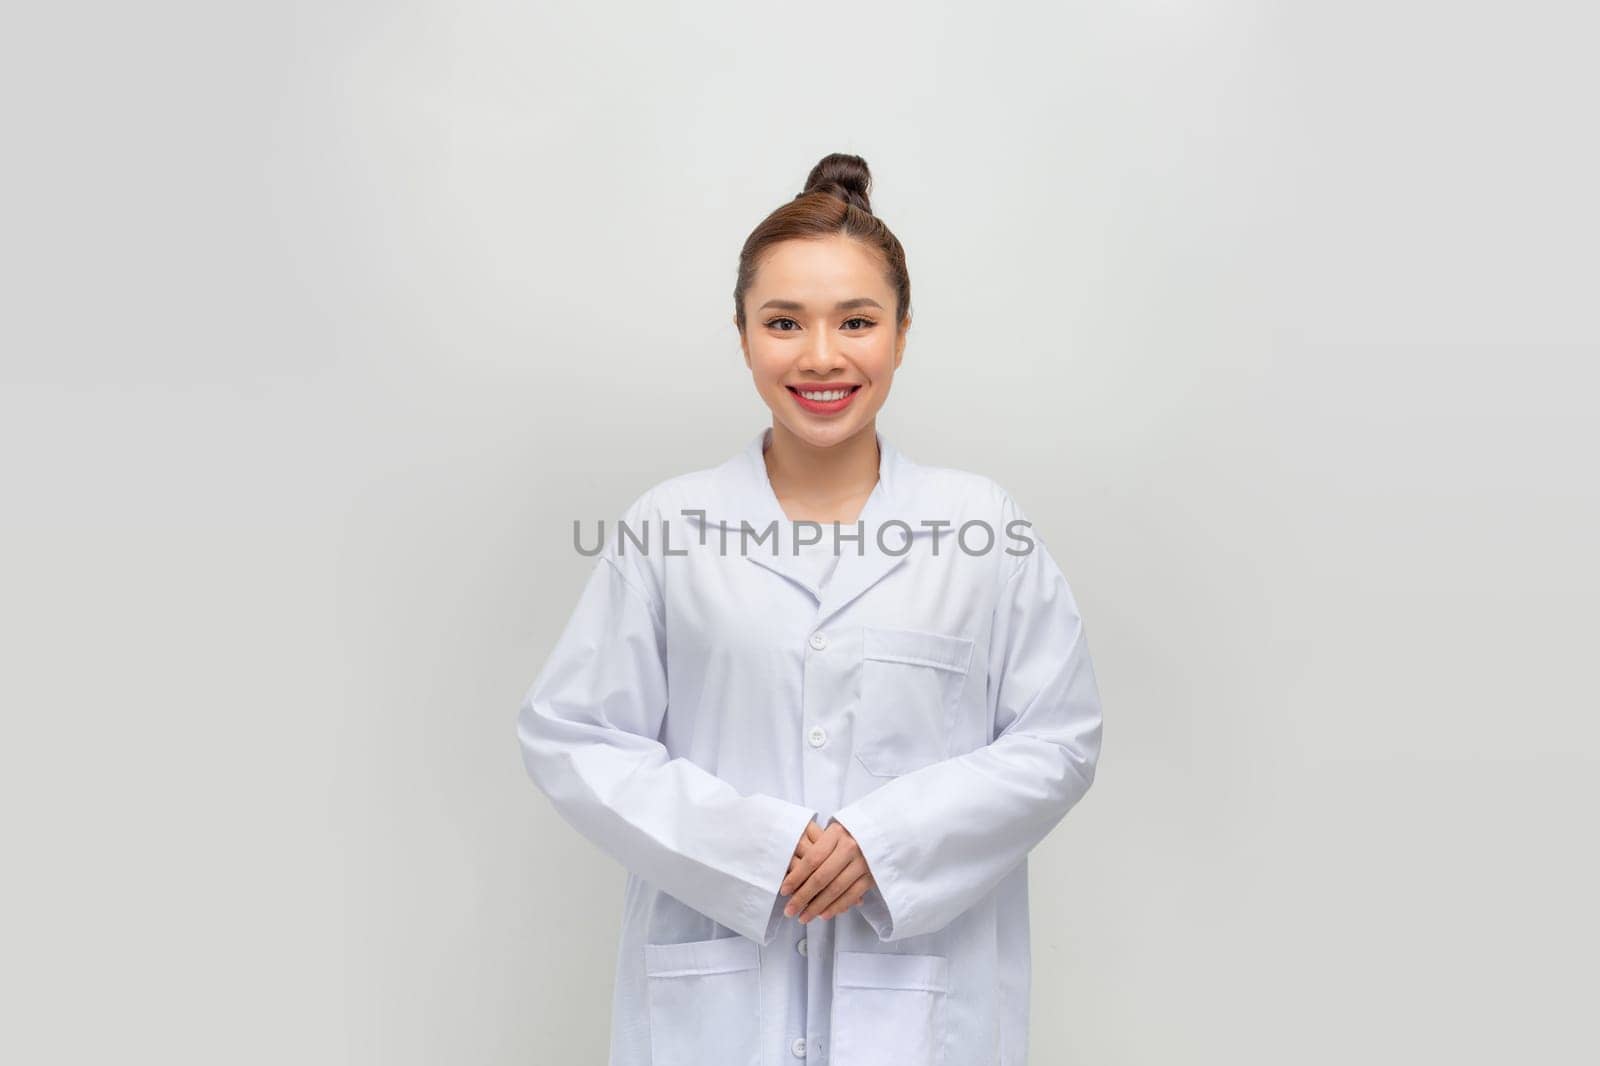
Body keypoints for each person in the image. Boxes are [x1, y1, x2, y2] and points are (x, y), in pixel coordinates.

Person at [516, 152, 1103, 1066]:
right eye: (784, 321)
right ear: (743, 335)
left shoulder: (981, 528)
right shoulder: (669, 528)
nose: (821, 355)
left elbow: (1058, 739)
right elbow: (574, 735)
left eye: (857, 321)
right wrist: (755, 848)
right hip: (716, 1013)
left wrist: (888, 843)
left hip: (922, 1009)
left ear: (902, 334)